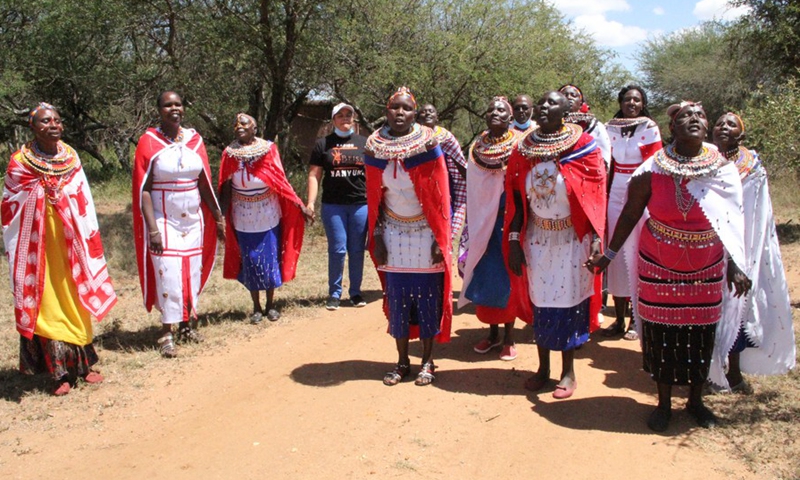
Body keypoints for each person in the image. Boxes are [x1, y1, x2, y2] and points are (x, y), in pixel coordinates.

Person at [588, 102, 751, 432]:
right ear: (671, 129)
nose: (694, 120)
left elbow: (732, 221)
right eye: (684, 117)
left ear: (706, 128)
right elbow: (631, 214)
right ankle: (662, 404)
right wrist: (608, 255)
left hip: (706, 266)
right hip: (657, 263)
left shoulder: (722, 169)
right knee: (662, 335)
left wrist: (735, 264)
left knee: (700, 335)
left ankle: (695, 402)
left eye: (700, 116)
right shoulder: (652, 169)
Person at [2, 103, 117, 395]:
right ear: (33, 127)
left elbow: (82, 195)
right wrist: (43, 192)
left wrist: (60, 194)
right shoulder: (21, 161)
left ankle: (84, 365)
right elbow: (11, 203)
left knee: (77, 295)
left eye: (56, 120)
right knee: (49, 301)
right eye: (44, 121)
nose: (52, 125)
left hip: (71, 240)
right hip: (38, 245)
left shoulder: (71, 156)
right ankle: (59, 373)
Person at [505, 91, 606, 399]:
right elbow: (517, 201)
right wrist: (513, 240)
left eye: (553, 103)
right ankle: (543, 368)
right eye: (543, 103)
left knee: (570, 304)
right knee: (542, 302)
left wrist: (597, 240)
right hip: (537, 238)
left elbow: (595, 198)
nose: (546, 107)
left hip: (572, 239)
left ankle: (568, 371)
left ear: (566, 111)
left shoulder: (583, 147)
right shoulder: (523, 149)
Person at [365, 87, 453, 387]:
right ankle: (402, 361)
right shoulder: (374, 146)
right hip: (392, 232)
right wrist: (376, 235)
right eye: (394, 108)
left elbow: (440, 195)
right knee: (399, 299)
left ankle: (428, 361)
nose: (399, 113)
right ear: (386, 111)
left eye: (406, 109)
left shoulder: (428, 145)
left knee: (428, 299)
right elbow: (373, 197)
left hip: (426, 232)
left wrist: (440, 239)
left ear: (414, 113)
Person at [709, 112, 795, 392]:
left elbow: (759, 213)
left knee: (736, 307)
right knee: (706, 309)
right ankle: (706, 372)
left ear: (741, 135)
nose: (724, 127)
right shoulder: (701, 159)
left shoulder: (752, 167)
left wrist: (745, 251)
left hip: (741, 245)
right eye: (720, 122)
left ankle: (733, 372)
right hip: (705, 244)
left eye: (731, 124)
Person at [133, 91, 223, 358]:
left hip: (192, 219)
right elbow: (144, 189)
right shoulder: (148, 142)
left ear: (183, 108)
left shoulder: (195, 141)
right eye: (167, 104)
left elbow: (204, 182)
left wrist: (218, 218)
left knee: (189, 272)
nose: (174, 108)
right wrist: (153, 229)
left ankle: (186, 325)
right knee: (168, 273)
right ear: (159, 110)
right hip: (163, 218)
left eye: (178, 104)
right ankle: (166, 332)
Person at [219, 113, 311, 323]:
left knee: (269, 258)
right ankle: (256, 307)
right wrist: (221, 217)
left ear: (254, 128)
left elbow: (280, 180)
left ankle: (271, 305)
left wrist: (300, 205)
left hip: (267, 212)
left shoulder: (268, 149)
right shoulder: (229, 154)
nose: (239, 127)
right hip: (242, 213)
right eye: (236, 125)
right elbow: (224, 186)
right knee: (250, 260)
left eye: (244, 124)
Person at [459, 97, 524, 361]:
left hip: (508, 218)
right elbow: (473, 181)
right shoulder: (477, 146)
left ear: (510, 118)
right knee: (485, 274)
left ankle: (509, 337)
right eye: (490, 110)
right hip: (482, 219)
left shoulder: (520, 143)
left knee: (508, 275)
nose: (494, 113)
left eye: (501, 110)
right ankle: (492, 333)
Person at [602, 85, 662, 340]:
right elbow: (606, 162)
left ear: (643, 103)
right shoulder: (609, 127)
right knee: (615, 255)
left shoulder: (649, 128)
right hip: (614, 192)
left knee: (638, 253)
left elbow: (654, 164)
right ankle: (618, 318)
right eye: (627, 99)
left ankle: (636, 321)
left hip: (641, 192)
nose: (632, 103)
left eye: (637, 100)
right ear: (621, 102)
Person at [305, 104, 368, 310]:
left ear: (354, 118)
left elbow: (374, 175)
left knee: (357, 249)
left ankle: (356, 292)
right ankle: (334, 293)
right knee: (338, 249)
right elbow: (314, 175)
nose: (344, 118)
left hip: (360, 205)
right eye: (340, 115)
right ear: (333, 120)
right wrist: (310, 203)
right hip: (333, 206)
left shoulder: (365, 143)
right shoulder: (323, 144)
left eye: (348, 115)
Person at [416, 103, 467, 245]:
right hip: (417, 196)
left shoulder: (447, 139)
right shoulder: (410, 140)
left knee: (441, 240)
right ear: (417, 118)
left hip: (443, 196)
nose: (427, 114)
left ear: (437, 117)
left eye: (431, 111)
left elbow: (461, 167)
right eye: (423, 111)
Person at [559, 84, 611, 167]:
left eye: (573, 95)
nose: (569, 97)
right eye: (565, 95)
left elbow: (604, 158)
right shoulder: (551, 125)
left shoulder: (594, 126)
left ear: (581, 103)